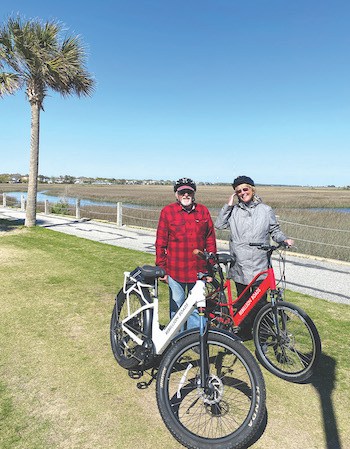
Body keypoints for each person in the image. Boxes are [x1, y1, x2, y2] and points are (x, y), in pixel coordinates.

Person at [215, 175, 293, 339]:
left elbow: (275, 230)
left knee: (260, 302)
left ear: (252, 189)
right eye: (239, 191)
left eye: (245, 189)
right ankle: (243, 331)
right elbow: (219, 224)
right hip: (240, 264)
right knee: (243, 302)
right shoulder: (234, 211)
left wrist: (283, 239)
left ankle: (262, 333)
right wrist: (228, 205)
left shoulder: (265, 210)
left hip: (260, 263)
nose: (243, 193)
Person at [156, 177, 217, 329]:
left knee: (197, 307)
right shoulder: (167, 212)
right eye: (182, 192)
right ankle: (177, 340)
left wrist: (211, 267)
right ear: (176, 194)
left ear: (193, 193)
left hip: (199, 271)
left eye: (189, 192)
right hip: (175, 270)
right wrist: (162, 269)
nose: (185, 195)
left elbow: (210, 240)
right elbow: (160, 242)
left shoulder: (203, 211)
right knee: (177, 307)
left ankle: (196, 340)